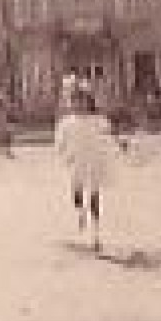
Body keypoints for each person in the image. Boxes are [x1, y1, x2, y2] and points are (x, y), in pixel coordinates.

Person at [54, 87, 117, 254]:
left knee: (95, 196)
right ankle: (81, 212)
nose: (78, 105)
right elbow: (60, 143)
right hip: (76, 162)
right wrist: (64, 155)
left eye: (81, 101)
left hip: (94, 161)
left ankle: (95, 233)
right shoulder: (66, 123)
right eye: (74, 101)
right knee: (77, 191)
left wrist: (112, 150)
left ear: (88, 102)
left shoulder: (99, 120)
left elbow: (108, 138)